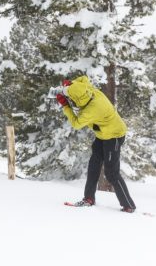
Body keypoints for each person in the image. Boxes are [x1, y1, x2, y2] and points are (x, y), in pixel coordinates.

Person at [56, 75, 137, 213]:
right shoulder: (88, 90)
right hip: (102, 134)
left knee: (111, 173)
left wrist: (65, 106)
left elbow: (76, 123)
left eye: (72, 97)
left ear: (79, 99)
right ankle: (89, 198)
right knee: (94, 165)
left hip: (114, 136)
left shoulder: (93, 108)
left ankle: (128, 205)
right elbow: (83, 79)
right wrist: (70, 85)